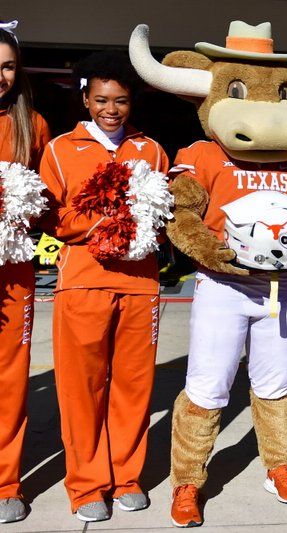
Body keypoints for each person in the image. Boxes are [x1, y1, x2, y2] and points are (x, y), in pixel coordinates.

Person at [38, 51, 169, 522]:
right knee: (82, 388)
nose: (111, 109)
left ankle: (127, 476)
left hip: (140, 285)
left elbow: (161, 214)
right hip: (82, 284)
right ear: (85, 99)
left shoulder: (151, 150)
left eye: (121, 101)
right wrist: (104, 215)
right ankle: (87, 484)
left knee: (134, 388)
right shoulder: (58, 149)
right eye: (101, 100)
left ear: (132, 102)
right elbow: (52, 217)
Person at [0, 20, 50, 524]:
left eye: (9, 66)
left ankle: (5, 481)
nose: (1, 76)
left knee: (11, 377)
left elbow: (47, 204)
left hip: (13, 270)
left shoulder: (31, 125)